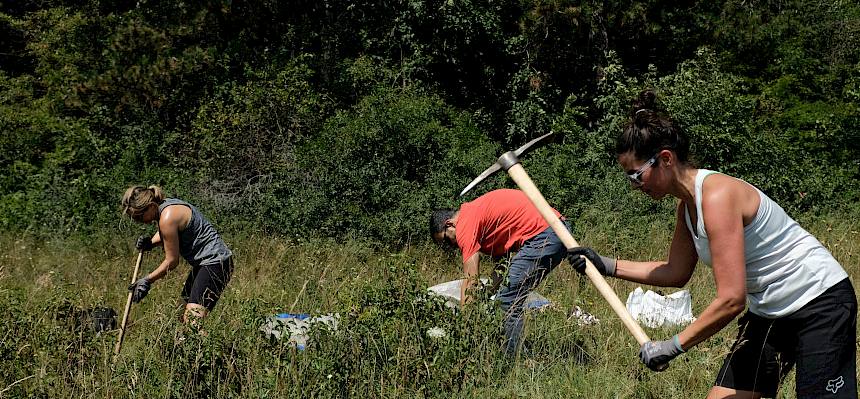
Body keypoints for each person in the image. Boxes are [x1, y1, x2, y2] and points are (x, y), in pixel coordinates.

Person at [568, 90, 857, 398]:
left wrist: (672, 346)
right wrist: (606, 265)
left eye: (636, 176)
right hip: (770, 313)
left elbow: (732, 299)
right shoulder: (687, 207)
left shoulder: (717, 197)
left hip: (819, 302)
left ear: (665, 159)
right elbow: (674, 272)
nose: (635, 187)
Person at [430, 188, 571, 355]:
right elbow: (502, 267)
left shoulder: (465, 224)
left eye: (446, 239)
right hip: (556, 228)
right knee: (508, 295)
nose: (450, 246)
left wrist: (464, 326)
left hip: (544, 234)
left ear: (449, 224)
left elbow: (470, 280)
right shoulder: (482, 222)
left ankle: (513, 361)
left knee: (507, 301)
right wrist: (486, 294)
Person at [121, 185, 234, 324]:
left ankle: (216, 346)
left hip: (215, 263)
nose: (139, 221)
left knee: (193, 322)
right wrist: (150, 243)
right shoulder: (166, 206)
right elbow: (168, 233)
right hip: (204, 264)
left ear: (150, 206)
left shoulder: (167, 217)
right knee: (180, 315)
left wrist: (147, 280)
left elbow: (172, 261)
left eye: (139, 216)